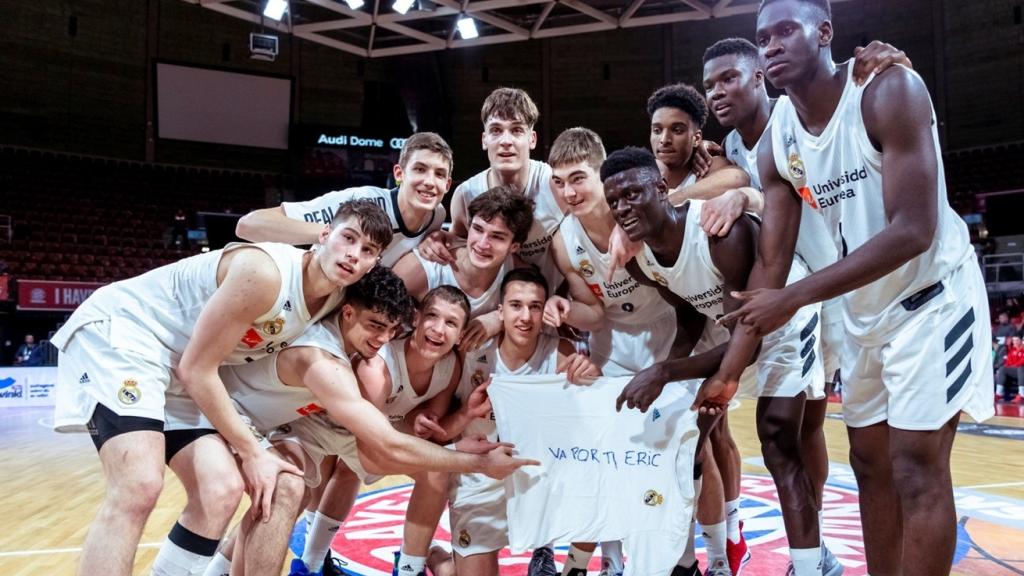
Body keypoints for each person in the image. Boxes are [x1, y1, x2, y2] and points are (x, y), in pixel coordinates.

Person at [700, 1, 995, 574]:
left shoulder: (888, 90)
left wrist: (794, 298)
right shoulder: (778, 137)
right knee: (868, 462)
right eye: (764, 38)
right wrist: (731, 371)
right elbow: (773, 264)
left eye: (787, 31)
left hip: (933, 297)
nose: (774, 45)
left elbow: (914, 230)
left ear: (825, 32)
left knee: (915, 465)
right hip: (863, 312)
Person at [50, 200, 390, 576]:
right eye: (348, 238)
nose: (353, 254)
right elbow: (197, 369)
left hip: (183, 365)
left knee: (220, 490)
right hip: (127, 334)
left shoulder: (337, 296)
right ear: (324, 235)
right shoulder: (265, 272)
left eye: (368, 250)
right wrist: (252, 452)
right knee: (139, 485)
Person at [701, 35, 911, 576]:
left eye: (729, 78)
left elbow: (786, 185)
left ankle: (819, 554)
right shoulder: (731, 146)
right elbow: (762, 193)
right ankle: (813, 552)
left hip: (838, 284)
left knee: (823, 433)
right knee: (796, 427)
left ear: (758, 78)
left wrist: (884, 68)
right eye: (710, 85)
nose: (718, 92)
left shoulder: (795, 120)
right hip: (800, 290)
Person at [602, 147, 827, 576]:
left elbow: (750, 341)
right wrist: (667, 379)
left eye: (632, 194)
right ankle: (687, 562)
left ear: (662, 188)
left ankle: (810, 566)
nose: (622, 208)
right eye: (614, 201)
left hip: (783, 316)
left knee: (778, 437)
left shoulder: (720, 234)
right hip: (731, 330)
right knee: (685, 444)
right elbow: (689, 312)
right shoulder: (641, 260)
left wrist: (664, 371)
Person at [421, 267, 600, 576]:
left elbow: (595, 424)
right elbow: (439, 435)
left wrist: (591, 377)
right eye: (516, 305)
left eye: (535, 307)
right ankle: (440, 562)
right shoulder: (470, 354)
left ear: (545, 311)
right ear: (499, 311)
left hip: (537, 478)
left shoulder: (559, 354)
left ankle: (574, 570)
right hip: (481, 480)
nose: (526, 317)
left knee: (598, 473)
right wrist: (467, 414)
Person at [418, 88, 567, 293]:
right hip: (493, 309)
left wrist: (569, 295)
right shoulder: (465, 194)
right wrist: (438, 239)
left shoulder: (556, 185)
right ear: (484, 139)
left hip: (550, 306)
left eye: (516, 130)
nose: (506, 141)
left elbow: (585, 243)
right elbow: (461, 251)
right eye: (496, 130)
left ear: (532, 139)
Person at [236, 132, 454, 268]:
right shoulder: (362, 202)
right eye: (420, 169)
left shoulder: (437, 215)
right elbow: (249, 225)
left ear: (447, 184)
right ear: (399, 174)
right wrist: (332, 234)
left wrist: (437, 236)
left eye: (439, 174)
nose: (429, 182)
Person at [394, 185, 534, 349]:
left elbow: (543, 312)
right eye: (478, 229)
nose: (482, 244)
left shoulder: (520, 277)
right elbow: (371, 306)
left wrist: (499, 319)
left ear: (514, 247)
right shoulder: (424, 267)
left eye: (497, 237)